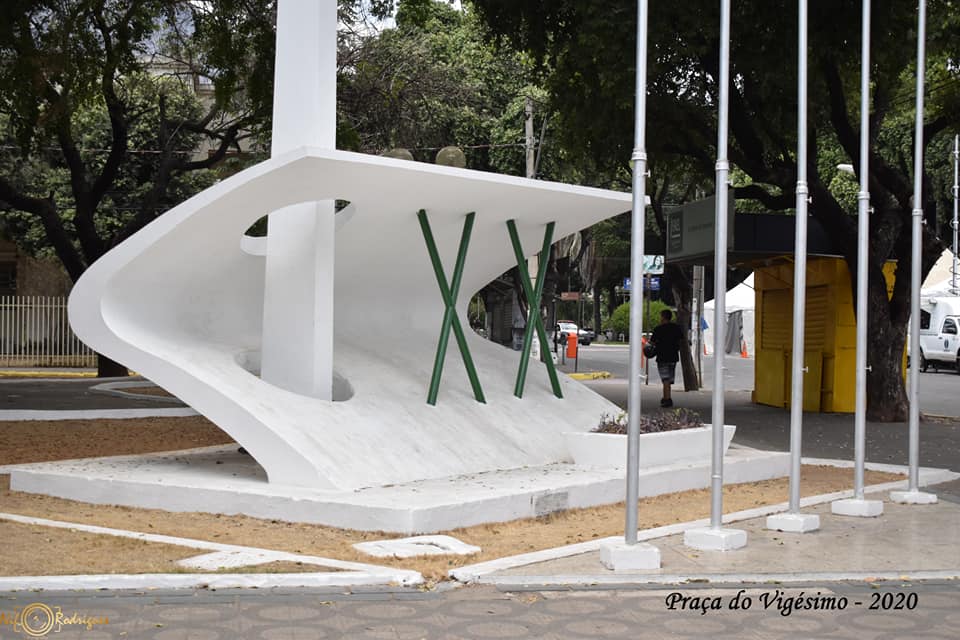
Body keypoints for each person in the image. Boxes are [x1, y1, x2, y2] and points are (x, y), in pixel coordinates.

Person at [650, 309, 683, 407]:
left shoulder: (658, 329)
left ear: (663, 317)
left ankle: (667, 399)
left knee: (665, 379)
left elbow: (652, 343)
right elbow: (681, 340)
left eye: (661, 316)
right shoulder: (676, 328)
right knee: (669, 379)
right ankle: (666, 397)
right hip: (673, 356)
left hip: (662, 356)